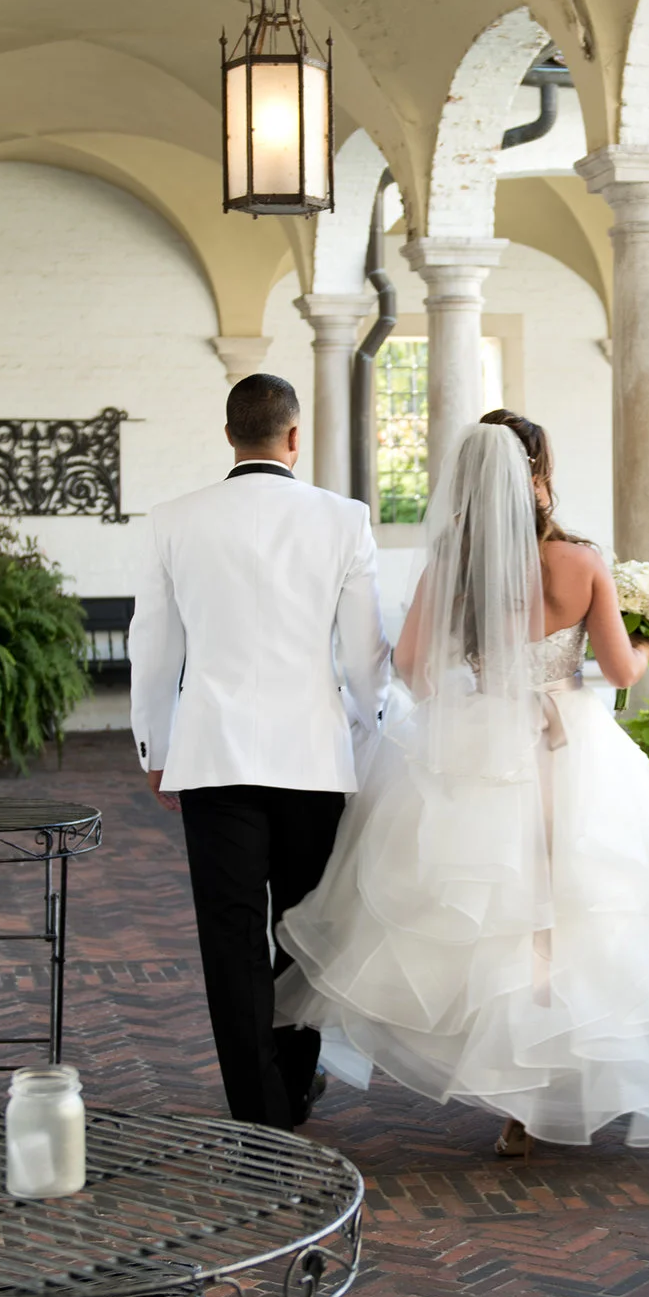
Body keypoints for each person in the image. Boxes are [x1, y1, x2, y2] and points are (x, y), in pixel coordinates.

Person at [276, 411, 649, 1157]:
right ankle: (557, 1093)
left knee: (495, 925)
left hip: (484, 746)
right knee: (581, 916)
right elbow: (621, 673)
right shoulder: (583, 562)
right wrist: (646, 633)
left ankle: (516, 1102)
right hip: (573, 749)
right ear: (540, 473)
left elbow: (415, 668)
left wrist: (479, 674)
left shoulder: (456, 559)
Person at [128, 373, 390, 1129]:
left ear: (229, 434)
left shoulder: (174, 520)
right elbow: (364, 655)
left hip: (213, 757)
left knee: (231, 935)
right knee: (304, 928)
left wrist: (157, 745)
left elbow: (153, 648)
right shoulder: (344, 520)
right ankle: (295, 1082)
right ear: (294, 435)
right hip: (312, 757)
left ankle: (259, 1106)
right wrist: (367, 730)